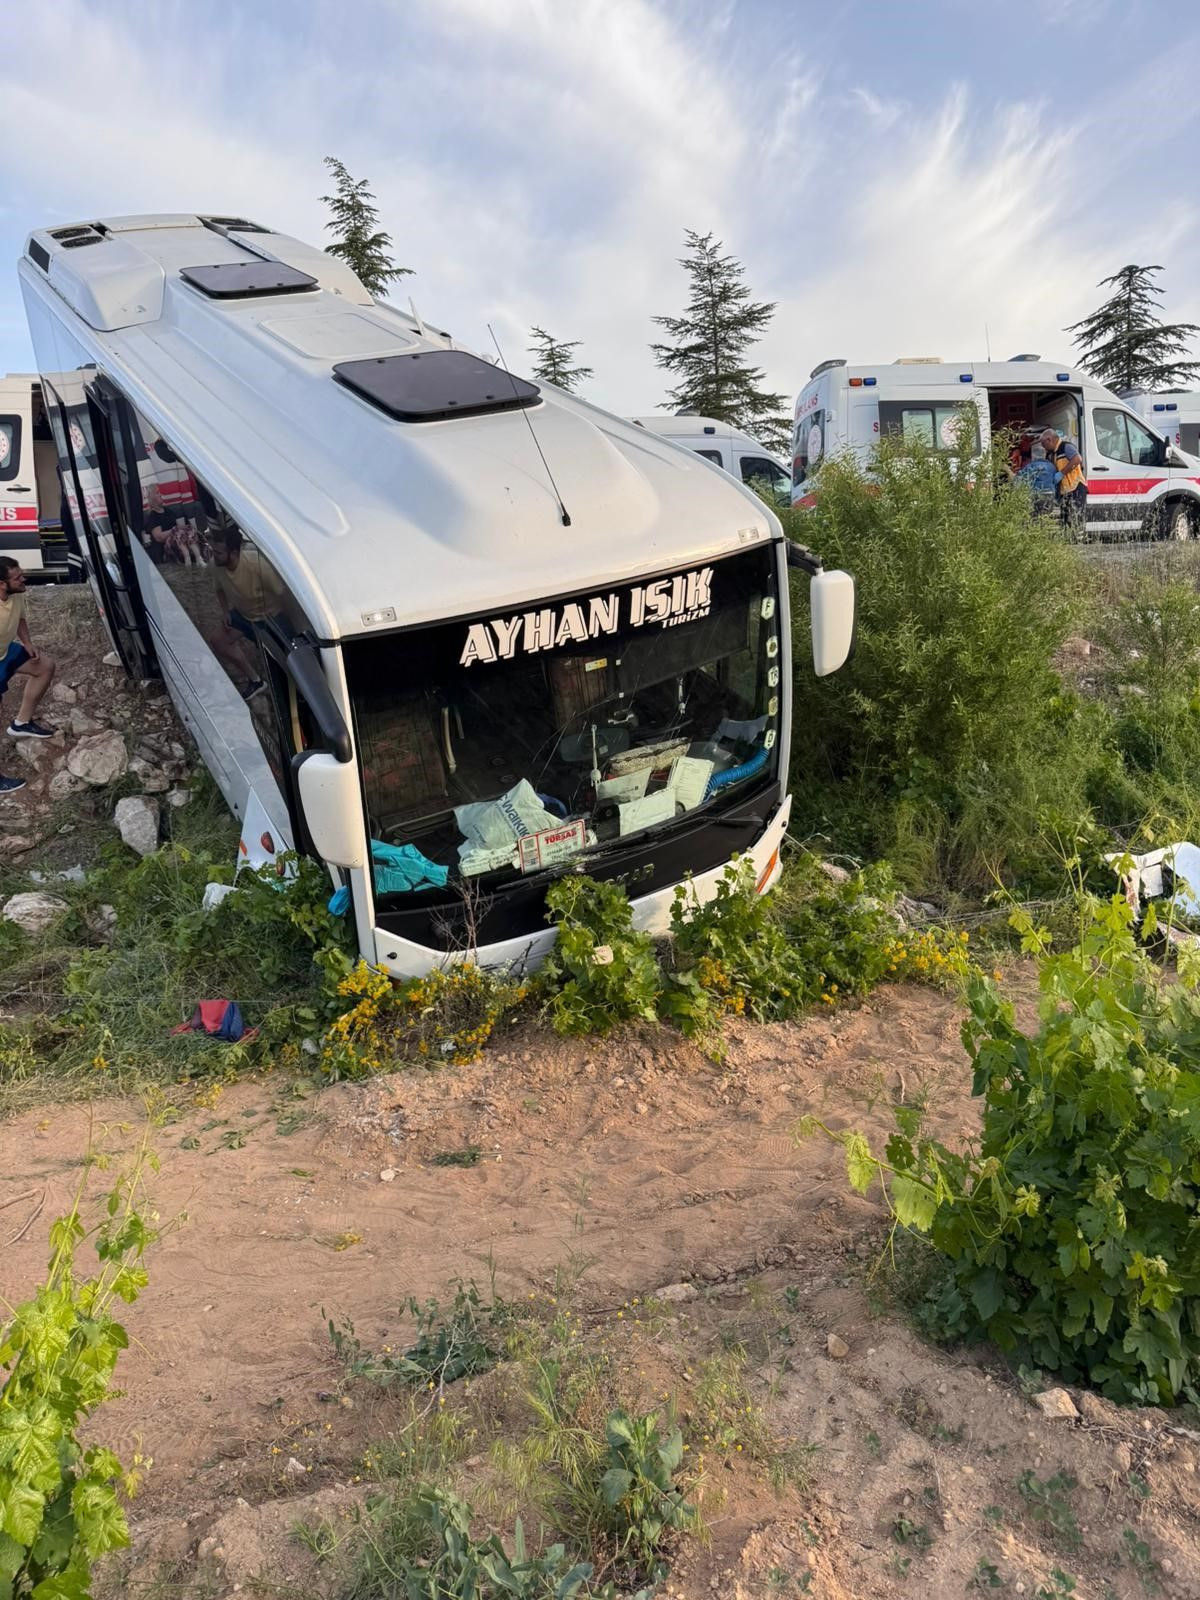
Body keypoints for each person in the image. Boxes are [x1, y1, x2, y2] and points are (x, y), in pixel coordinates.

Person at [0, 556, 57, 794]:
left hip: (5, 651)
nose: (23, 579)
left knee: (45, 666)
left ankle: (21, 723)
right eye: (17, 577)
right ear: (2, 583)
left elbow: (21, 618)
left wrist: (27, 643)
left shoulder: (17, 593)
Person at [1041, 427, 1087, 531]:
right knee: (1065, 520)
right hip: (1064, 491)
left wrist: (1061, 473)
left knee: (1076, 519)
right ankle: (1068, 542)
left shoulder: (1066, 447)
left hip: (1076, 488)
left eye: (1044, 445)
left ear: (1049, 440)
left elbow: (1077, 459)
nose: (1044, 448)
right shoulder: (1050, 453)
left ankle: (1077, 542)